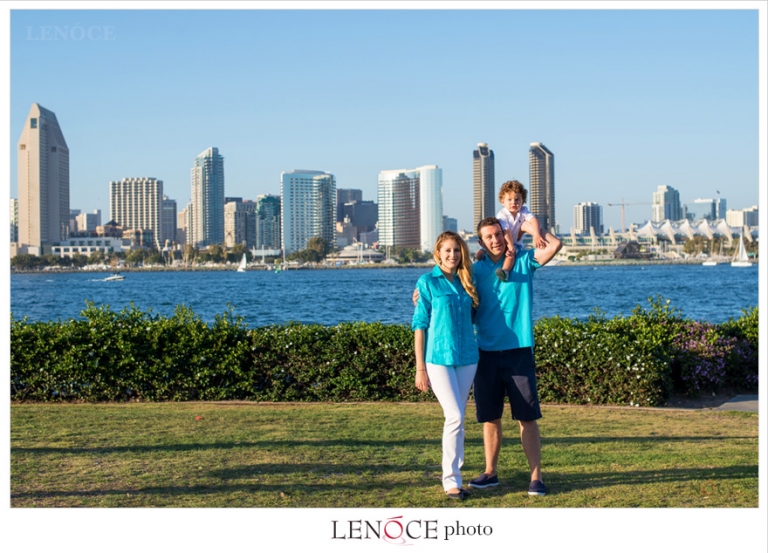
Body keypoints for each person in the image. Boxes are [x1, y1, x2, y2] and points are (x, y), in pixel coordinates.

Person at [467, 216, 561, 496]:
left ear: (505, 233)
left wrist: (535, 229)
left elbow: (555, 245)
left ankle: (536, 478)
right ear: (481, 242)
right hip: (484, 352)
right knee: (490, 418)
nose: (495, 239)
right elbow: (446, 282)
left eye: (498, 234)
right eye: (489, 236)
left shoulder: (523, 260)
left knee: (527, 417)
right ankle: (490, 473)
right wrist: (419, 292)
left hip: (518, 350)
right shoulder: (475, 270)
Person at [412, 231, 480, 500]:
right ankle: (450, 480)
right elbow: (420, 326)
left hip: (467, 358)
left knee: (459, 419)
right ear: (438, 253)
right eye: (447, 250)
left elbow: (476, 315)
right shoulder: (427, 282)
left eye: (457, 250)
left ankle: (457, 475)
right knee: (454, 416)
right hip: (438, 359)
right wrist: (420, 368)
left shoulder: (467, 282)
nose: (452, 255)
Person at [475, 180, 546, 282]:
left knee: (510, 256)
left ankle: (505, 271)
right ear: (502, 201)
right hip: (503, 242)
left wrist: (536, 234)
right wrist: (510, 246)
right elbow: (506, 231)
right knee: (479, 254)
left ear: (523, 201)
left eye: (517, 199)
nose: (514, 202)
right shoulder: (502, 215)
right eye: (510, 199)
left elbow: (534, 220)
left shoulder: (524, 211)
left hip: (516, 244)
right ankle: (479, 264)